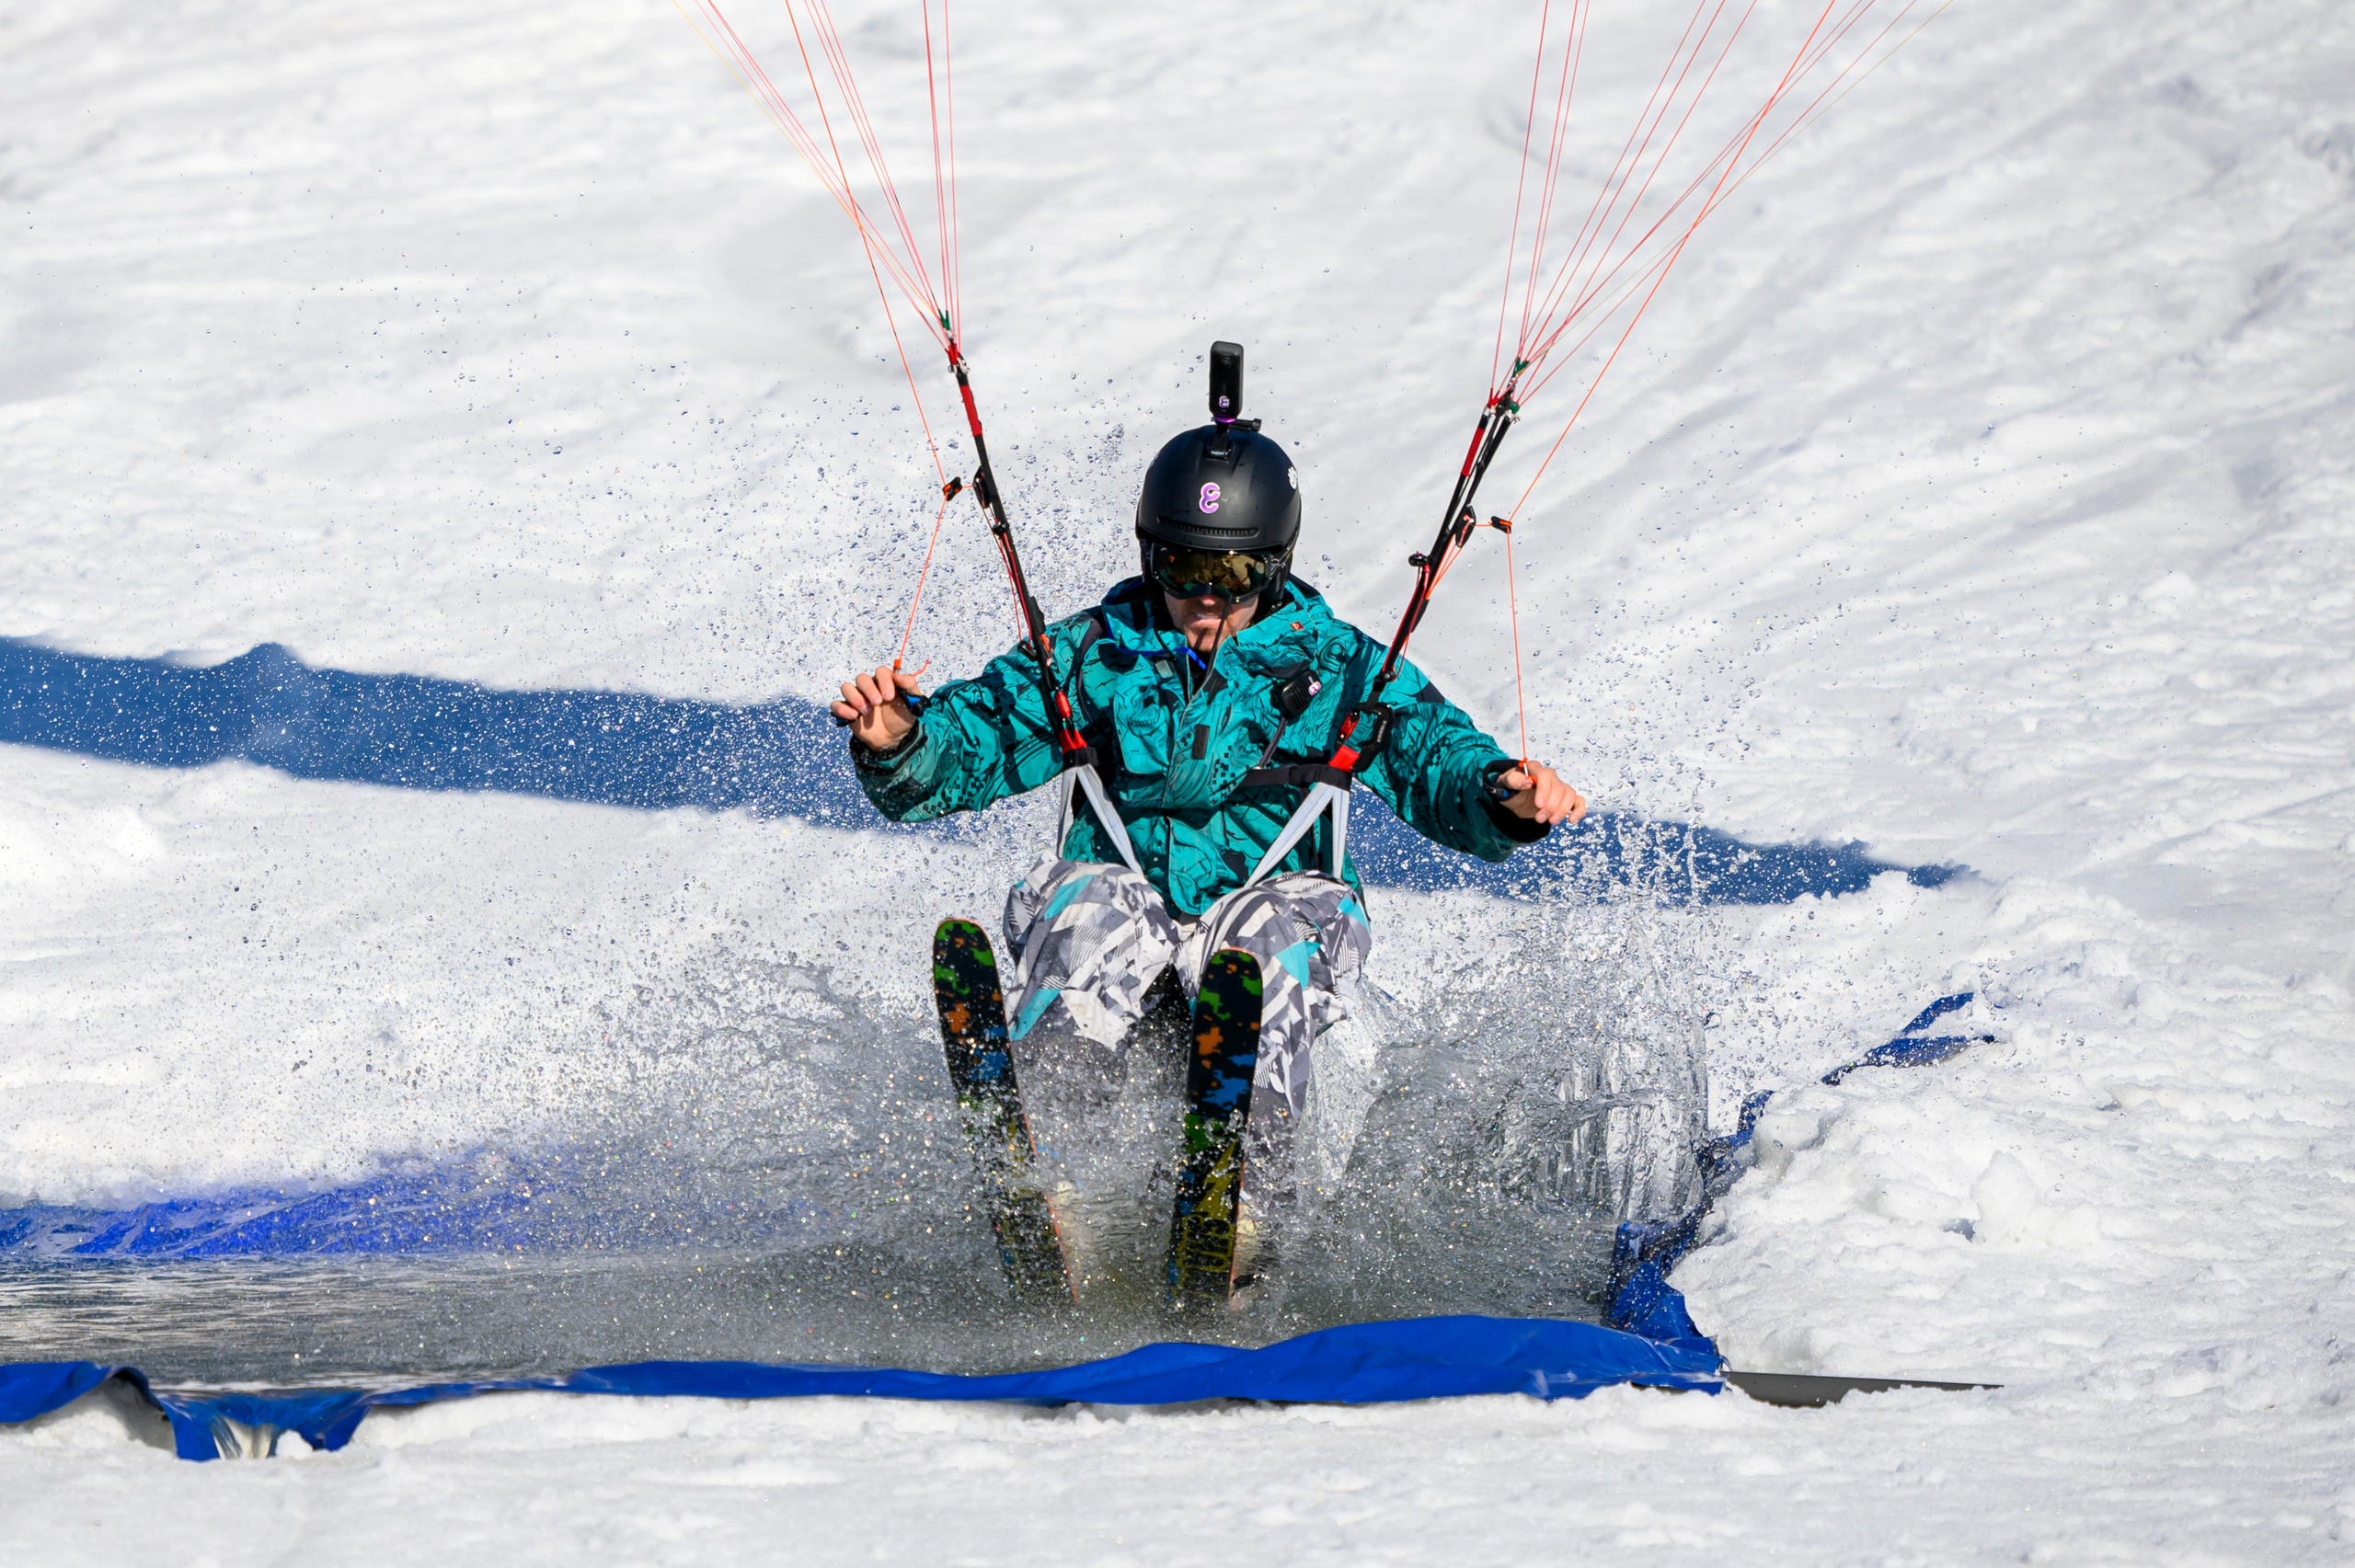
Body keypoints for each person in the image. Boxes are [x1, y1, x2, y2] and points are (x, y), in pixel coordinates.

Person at [833, 408, 1585, 1282]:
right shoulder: (1086, 657)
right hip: (1131, 938)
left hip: (1270, 936)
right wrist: (900, 740)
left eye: (1234, 574)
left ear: (1274, 566)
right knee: (1090, 903)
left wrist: (1506, 797)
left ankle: (1244, 1209)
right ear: (1151, 554)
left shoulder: (1344, 668)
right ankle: (1047, 1179)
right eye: (1184, 569)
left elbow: (1439, 764)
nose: (1208, 599)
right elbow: (969, 744)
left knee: (1265, 935)